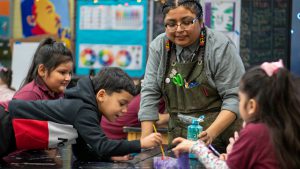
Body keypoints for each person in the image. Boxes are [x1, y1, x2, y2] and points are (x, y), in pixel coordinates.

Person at [138, 0, 245, 152]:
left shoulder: (220, 46)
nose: (179, 29)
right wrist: (145, 140)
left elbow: (235, 97)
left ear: (201, 21)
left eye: (187, 22)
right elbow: (150, 92)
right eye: (171, 24)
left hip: (220, 137)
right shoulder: (159, 47)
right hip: (179, 136)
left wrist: (210, 134)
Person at [0, 67, 162, 162]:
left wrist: (110, 158)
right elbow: (103, 145)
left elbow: (82, 152)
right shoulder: (83, 109)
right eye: (122, 103)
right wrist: (141, 143)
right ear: (101, 95)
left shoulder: (87, 108)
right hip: (5, 121)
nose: (126, 110)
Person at [172, 60, 300, 169]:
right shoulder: (285, 125)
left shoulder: (255, 131)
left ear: (251, 106)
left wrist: (196, 147)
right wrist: (233, 157)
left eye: (240, 99)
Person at [0, 37, 73, 111]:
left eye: (70, 73)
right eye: (62, 72)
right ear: (42, 70)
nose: (68, 78)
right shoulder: (29, 95)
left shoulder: (59, 92)